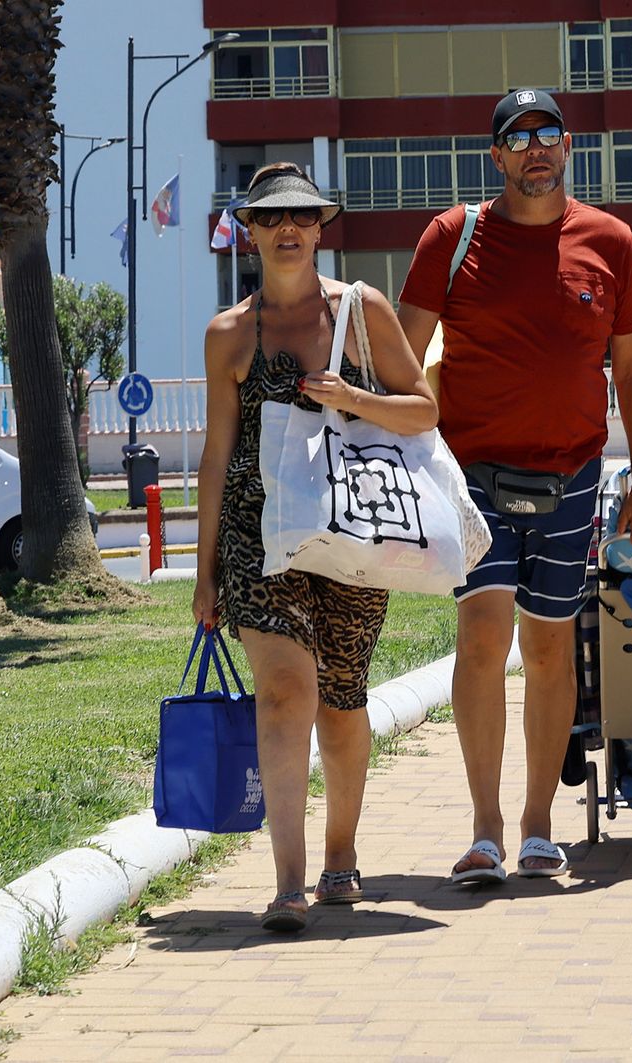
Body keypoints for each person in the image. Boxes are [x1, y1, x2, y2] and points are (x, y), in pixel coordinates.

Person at [396, 89, 632, 883]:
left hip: (574, 475)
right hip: (472, 473)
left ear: (568, 147)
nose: (536, 147)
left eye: (549, 133)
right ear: (498, 157)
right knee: (482, 640)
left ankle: (539, 825)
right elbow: (404, 358)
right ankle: (485, 831)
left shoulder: (610, 241)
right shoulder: (452, 237)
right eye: (519, 138)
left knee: (549, 647)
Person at [194, 163, 439, 931]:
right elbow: (214, 452)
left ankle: (341, 856)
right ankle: (288, 880)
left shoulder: (362, 311)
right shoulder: (229, 333)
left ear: (321, 226)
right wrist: (204, 573)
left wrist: (353, 397)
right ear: (251, 230)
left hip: (355, 535)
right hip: (258, 536)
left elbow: (425, 410)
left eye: (302, 215)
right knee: (285, 688)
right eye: (273, 219)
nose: (289, 229)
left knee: (339, 699)